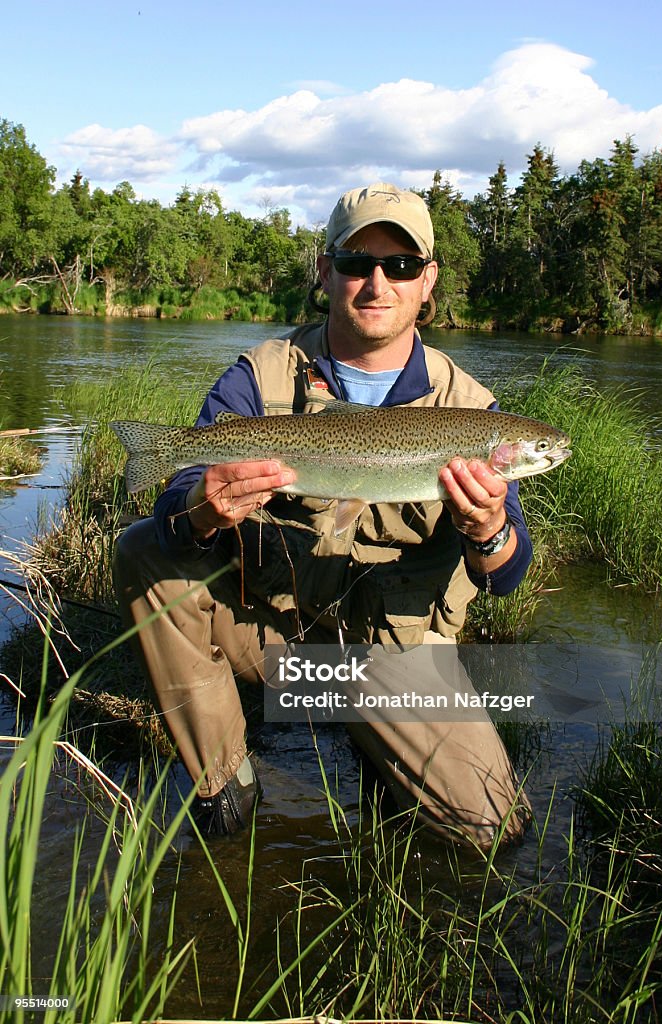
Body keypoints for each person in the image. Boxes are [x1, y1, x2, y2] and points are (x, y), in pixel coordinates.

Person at [112, 182, 533, 848]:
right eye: (356, 262)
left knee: (492, 830)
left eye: (398, 266)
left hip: (393, 658)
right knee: (142, 550)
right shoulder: (261, 378)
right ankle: (227, 784)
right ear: (325, 270)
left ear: (427, 280)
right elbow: (172, 511)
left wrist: (489, 529)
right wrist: (202, 508)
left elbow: (506, 575)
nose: (376, 283)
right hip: (275, 630)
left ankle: (378, 740)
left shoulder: (469, 409)